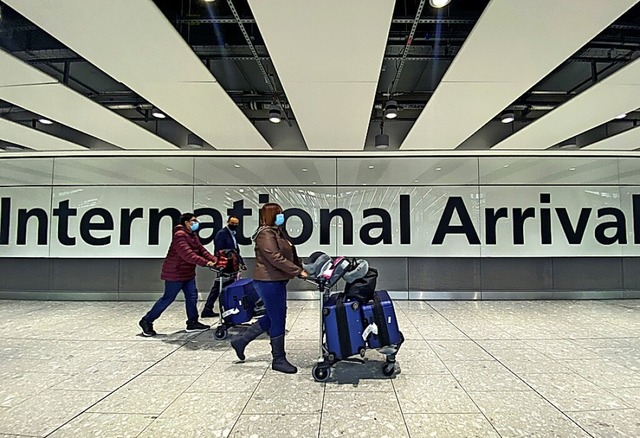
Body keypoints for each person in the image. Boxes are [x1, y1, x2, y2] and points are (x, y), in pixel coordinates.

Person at [230, 203, 308, 374]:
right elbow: (275, 257)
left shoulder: (277, 231)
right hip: (268, 281)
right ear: (271, 214)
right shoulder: (265, 233)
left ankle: (241, 341)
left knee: (273, 316)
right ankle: (278, 359)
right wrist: (298, 271)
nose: (282, 216)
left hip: (277, 279)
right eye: (278, 213)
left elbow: (290, 252)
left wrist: (302, 266)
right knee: (278, 318)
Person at [139, 212, 225, 337]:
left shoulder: (192, 235)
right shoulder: (180, 236)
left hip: (187, 273)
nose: (197, 223)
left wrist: (215, 260)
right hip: (175, 273)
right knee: (168, 298)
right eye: (194, 221)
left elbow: (201, 250)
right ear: (186, 222)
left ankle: (192, 322)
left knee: (192, 296)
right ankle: (146, 320)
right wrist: (207, 263)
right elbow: (188, 255)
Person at [201, 215, 247, 318]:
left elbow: (235, 250)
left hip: (232, 265)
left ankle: (216, 308)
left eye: (236, 224)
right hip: (225, 264)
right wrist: (220, 263)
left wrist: (241, 262)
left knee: (224, 287)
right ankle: (209, 308)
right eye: (232, 223)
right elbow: (220, 251)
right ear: (228, 222)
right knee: (218, 287)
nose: (234, 225)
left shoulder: (232, 234)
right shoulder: (222, 234)